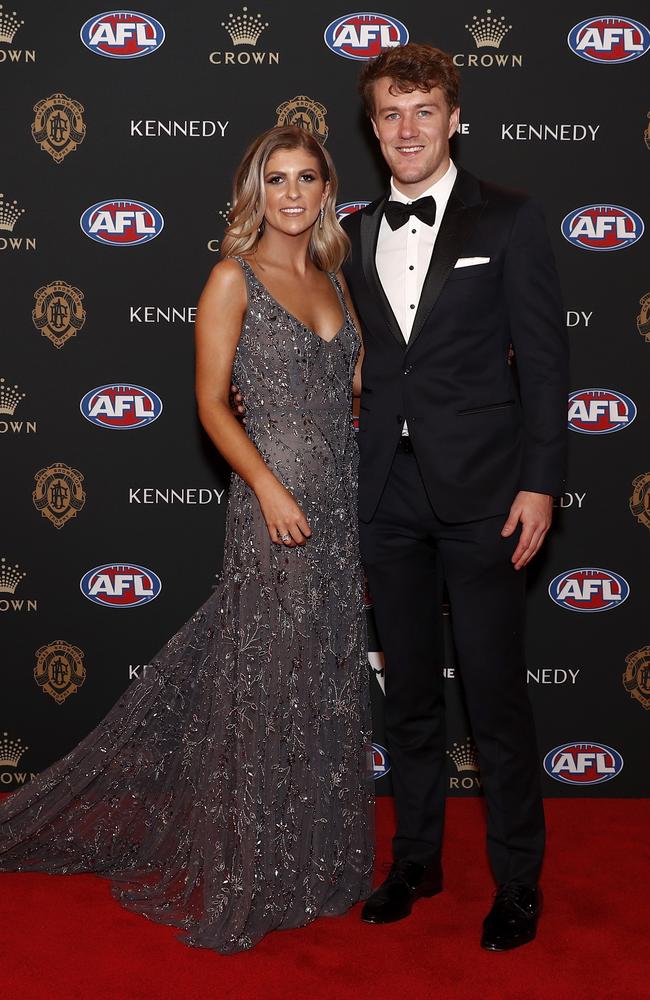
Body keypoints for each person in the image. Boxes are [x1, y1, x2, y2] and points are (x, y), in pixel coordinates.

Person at [0, 125, 373, 954]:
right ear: (255, 191)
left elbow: (359, 384)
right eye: (275, 179)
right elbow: (210, 403)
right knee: (267, 672)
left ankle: (311, 861)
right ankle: (252, 868)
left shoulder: (337, 283)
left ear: (325, 192)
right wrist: (269, 485)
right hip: (272, 504)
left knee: (324, 672)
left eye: (306, 178)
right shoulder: (231, 278)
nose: (290, 194)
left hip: (340, 504)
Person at [339, 43, 569, 951]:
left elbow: (547, 367)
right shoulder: (352, 230)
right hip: (386, 495)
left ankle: (518, 882)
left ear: (455, 118)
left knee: (495, 698)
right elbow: (340, 349)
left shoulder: (510, 218)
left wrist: (541, 483)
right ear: (373, 126)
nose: (407, 129)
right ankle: (418, 858)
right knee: (407, 702)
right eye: (391, 114)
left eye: (424, 110)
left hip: (485, 497)